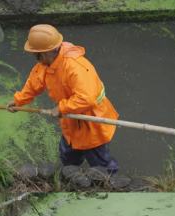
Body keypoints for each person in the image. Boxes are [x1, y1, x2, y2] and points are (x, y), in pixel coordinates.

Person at [8, 24, 119, 174]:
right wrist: (18, 101)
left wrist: (61, 108)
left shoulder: (74, 66)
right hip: (70, 119)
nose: (35, 57)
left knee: (100, 161)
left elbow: (87, 98)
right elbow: (34, 84)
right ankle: (71, 174)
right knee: (68, 155)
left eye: (37, 54)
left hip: (91, 120)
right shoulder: (45, 64)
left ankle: (109, 181)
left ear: (47, 51)